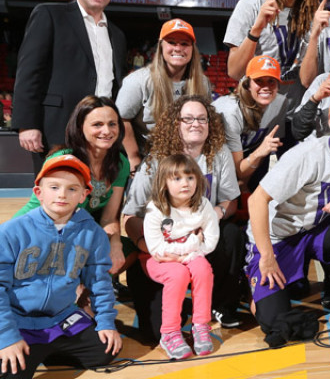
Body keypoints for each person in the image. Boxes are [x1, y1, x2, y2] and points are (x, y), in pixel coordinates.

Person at [245, 92, 330, 336]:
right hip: (280, 236)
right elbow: (257, 200)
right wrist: (266, 256)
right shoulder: (306, 155)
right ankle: (257, 287)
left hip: (317, 230)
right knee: (274, 322)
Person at [122, 95, 242, 338]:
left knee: (232, 234)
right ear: (175, 124)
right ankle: (142, 275)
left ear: (210, 125)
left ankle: (221, 304)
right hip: (162, 245)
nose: (195, 123)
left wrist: (213, 216)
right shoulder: (156, 160)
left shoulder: (219, 154)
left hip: (198, 239)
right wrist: (146, 246)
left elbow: (231, 200)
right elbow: (129, 216)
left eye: (202, 119)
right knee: (154, 332)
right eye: (187, 118)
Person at [0, 155, 121, 379]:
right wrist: (6, 337)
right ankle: (30, 348)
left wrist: (105, 322)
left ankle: (45, 350)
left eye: (72, 189)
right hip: (19, 320)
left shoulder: (92, 233)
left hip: (60, 318)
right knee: (9, 370)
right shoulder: (11, 232)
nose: (62, 194)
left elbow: (99, 281)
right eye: (54, 187)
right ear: (39, 192)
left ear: (85, 195)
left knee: (106, 350)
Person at [13, 0, 127, 172]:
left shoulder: (117, 34)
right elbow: (29, 71)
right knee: (58, 196)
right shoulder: (50, 15)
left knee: (96, 197)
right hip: (57, 127)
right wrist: (27, 124)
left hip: (101, 133)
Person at [14, 96, 130, 274]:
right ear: (80, 127)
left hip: (75, 232)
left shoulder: (120, 163)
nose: (106, 131)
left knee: (128, 249)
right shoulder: (64, 159)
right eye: (97, 124)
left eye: (112, 124)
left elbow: (108, 218)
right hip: (35, 232)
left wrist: (115, 244)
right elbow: (49, 221)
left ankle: (88, 290)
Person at [224, 0, 319, 114]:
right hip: (253, 112)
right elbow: (234, 72)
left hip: (292, 115)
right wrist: (257, 28)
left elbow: (309, 80)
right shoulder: (250, 6)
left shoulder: (313, 15)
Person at [143, 154, 219, 359]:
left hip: (188, 256)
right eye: (177, 178)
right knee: (177, 275)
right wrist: (193, 243)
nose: (185, 183)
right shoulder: (155, 209)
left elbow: (210, 242)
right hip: (158, 260)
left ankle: (201, 325)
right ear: (164, 183)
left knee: (203, 269)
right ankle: (169, 332)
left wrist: (187, 254)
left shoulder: (203, 205)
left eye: (190, 177)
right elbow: (157, 249)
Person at [117, 18, 210, 171]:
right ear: (161, 47)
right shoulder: (138, 81)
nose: (178, 48)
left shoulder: (203, 83)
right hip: (148, 159)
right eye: (172, 42)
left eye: (184, 44)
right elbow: (121, 119)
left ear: (192, 49)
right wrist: (133, 157)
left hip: (189, 159)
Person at [212, 55, 287, 192]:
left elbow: (256, 151)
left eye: (271, 81)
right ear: (247, 85)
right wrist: (259, 152)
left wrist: (244, 184)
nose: (266, 87)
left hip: (241, 163)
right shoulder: (231, 112)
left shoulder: (280, 103)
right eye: (259, 81)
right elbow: (239, 169)